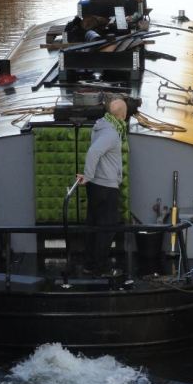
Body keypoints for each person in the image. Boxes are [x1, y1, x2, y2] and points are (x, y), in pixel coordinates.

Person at [76, 98, 127, 275]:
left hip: (96, 186)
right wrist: (88, 174)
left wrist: (90, 177)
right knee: (107, 228)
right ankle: (101, 267)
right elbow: (94, 151)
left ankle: (89, 264)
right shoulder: (112, 133)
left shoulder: (101, 125)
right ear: (122, 115)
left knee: (94, 226)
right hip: (106, 187)